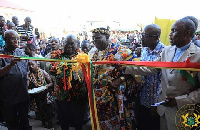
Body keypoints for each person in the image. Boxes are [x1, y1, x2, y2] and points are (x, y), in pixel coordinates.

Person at [123, 18, 200, 130]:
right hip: (163, 111)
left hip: (184, 112)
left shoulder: (197, 55)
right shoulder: (167, 51)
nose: (170, 34)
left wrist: (180, 100)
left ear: (187, 33)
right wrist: (126, 67)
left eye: (174, 31)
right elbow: (150, 68)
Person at [89, 27, 138, 129]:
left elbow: (134, 69)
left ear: (107, 37)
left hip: (115, 94)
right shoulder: (93, 53)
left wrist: (120, 80)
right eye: (93, 38)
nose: (94, 40)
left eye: (97, 37)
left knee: (119, 121)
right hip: (98, 96)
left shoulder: (120, 50)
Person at [49, 34, 88, 130]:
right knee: (63, 119)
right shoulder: (56, 55)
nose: (69, 46)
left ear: (77, 45)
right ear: (63, 44)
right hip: (62, 94)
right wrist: (66, 68)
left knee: (78, 120)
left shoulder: (83, 56)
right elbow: (52, 70)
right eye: (67, 43)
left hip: (79, 94)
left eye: (72, 43)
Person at [0, 30, 32, 130]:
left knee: (25, 122)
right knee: (12, 124)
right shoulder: (1, 55)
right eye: (13, 39)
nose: (17, 41)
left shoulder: (21, 52)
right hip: (8, 97)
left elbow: (26, 71)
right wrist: (10, 65)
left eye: (18, 38)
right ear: (5, 40)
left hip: (23, 95)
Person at [136, 24, 165, 130]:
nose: (141, 38)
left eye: (145, 35)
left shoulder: (164, 52)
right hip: (143, 99)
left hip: (155, 103)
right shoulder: (144, 50)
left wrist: (157, 104)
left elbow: (163, 81)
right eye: (142, 35)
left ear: (156, 37)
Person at [28, 60, 53, 128]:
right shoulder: (29, 74)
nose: (31, 66)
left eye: (32, 64)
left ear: (37, 64)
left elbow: (51, 83)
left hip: (45, 94)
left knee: (48, 109)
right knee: (40, 109)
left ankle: (50, 123)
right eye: (29, 65)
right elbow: (28, 86)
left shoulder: (42, 72)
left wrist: (45, 86)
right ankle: (43, 122)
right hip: (36, 95)